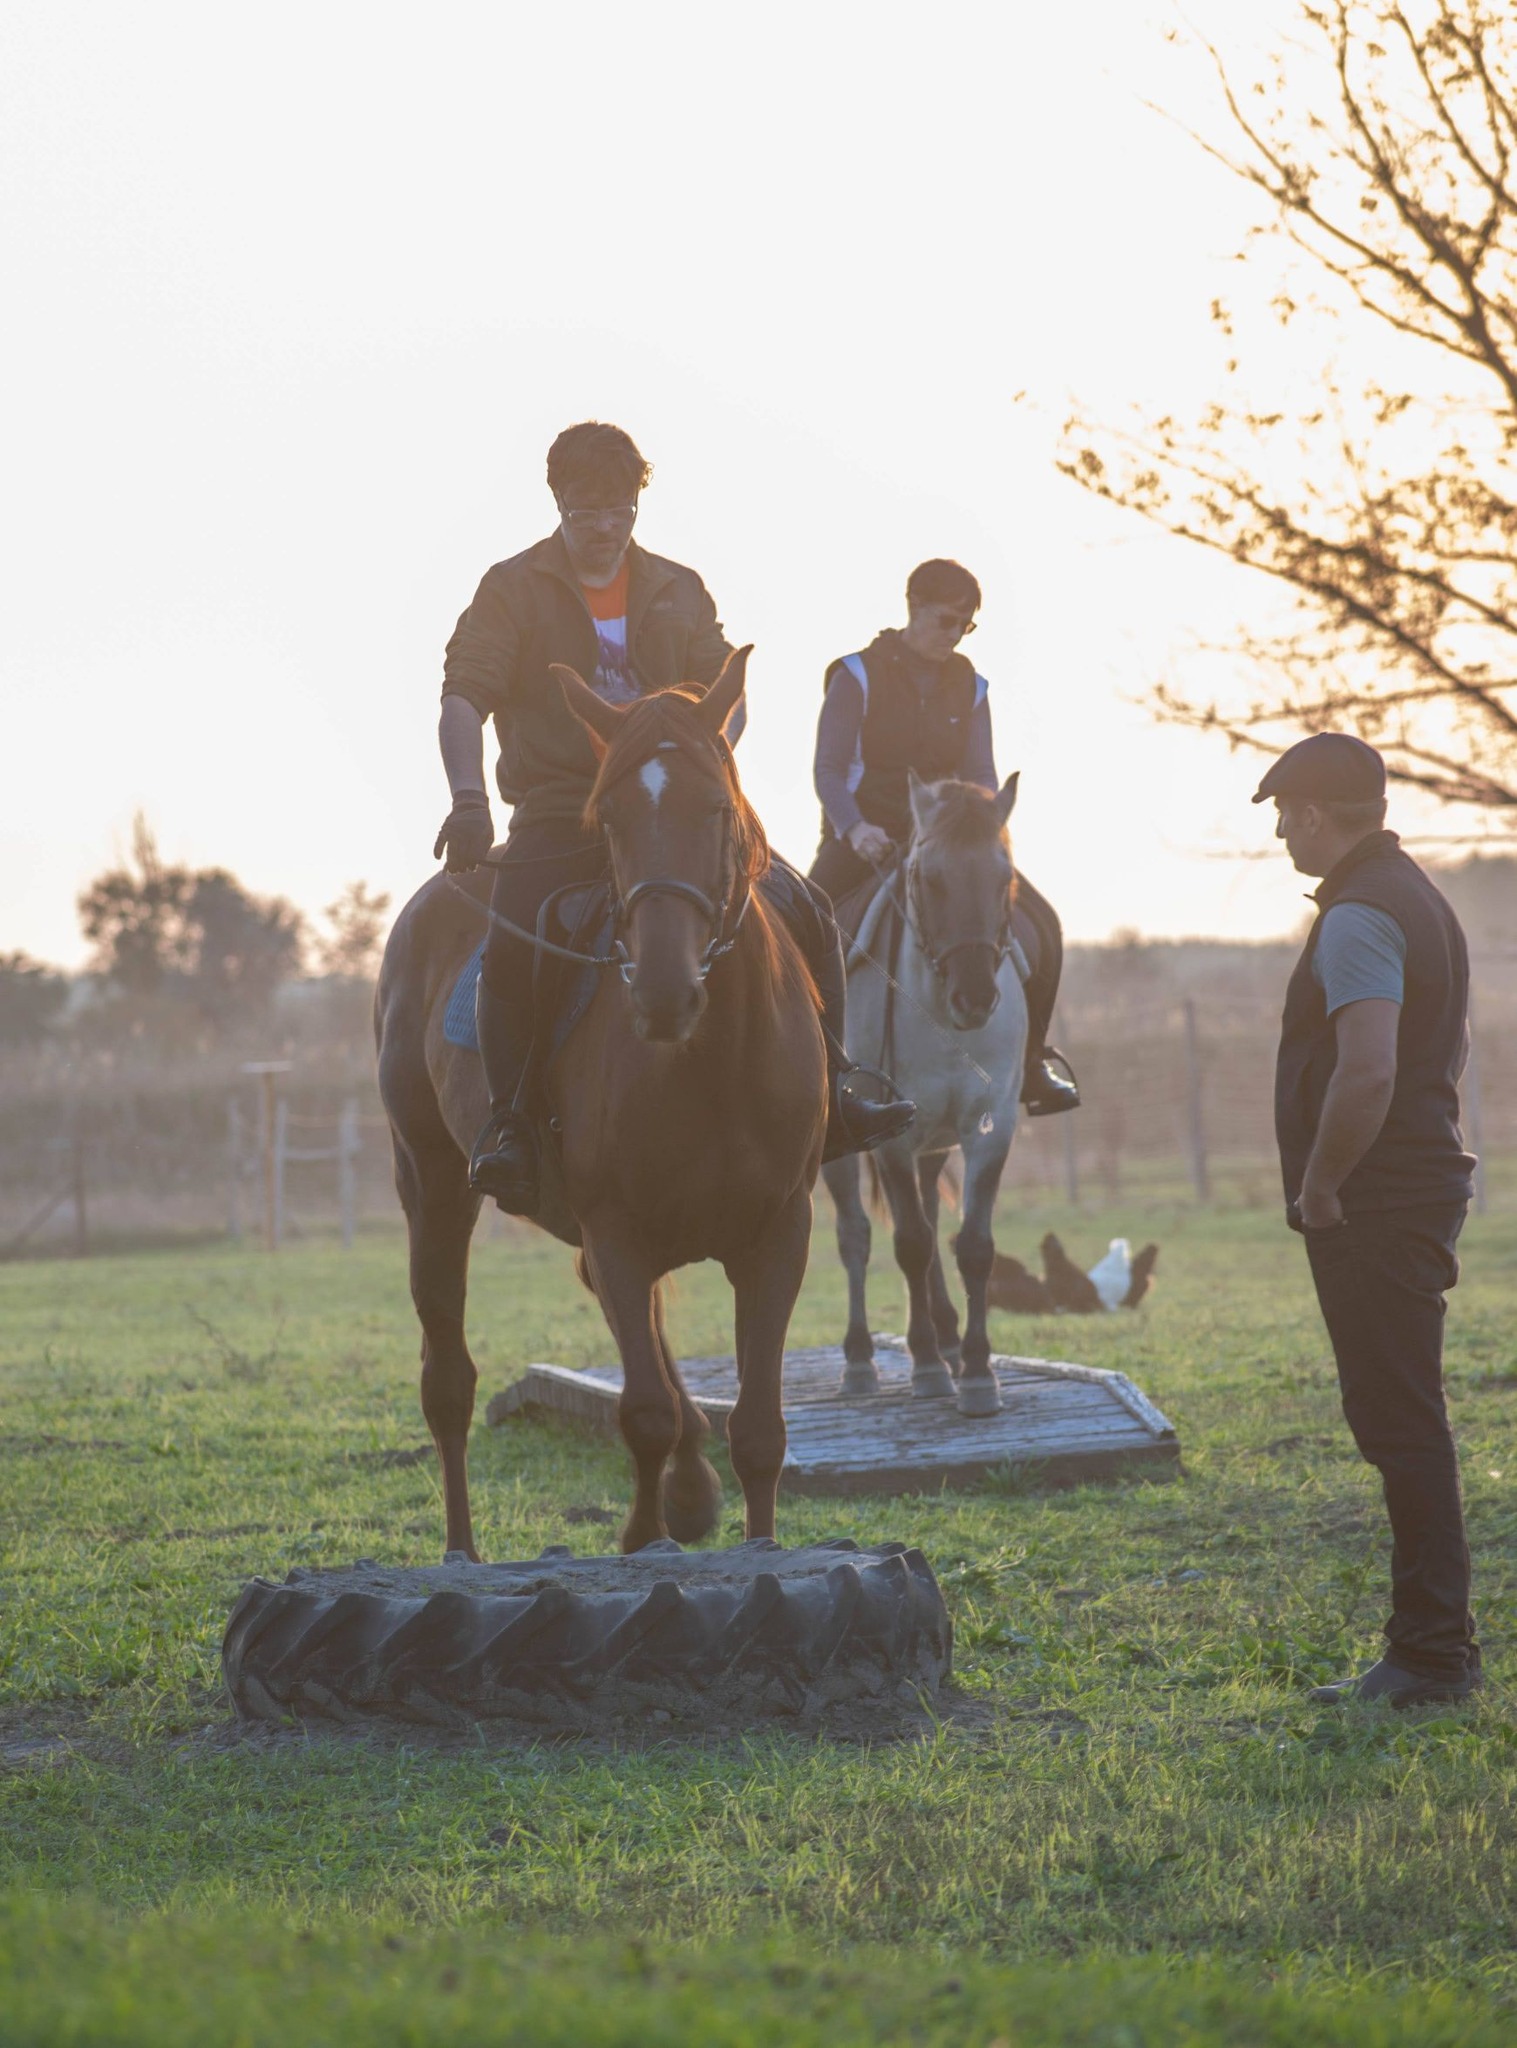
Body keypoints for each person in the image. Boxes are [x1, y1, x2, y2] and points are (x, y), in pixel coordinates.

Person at [432, 420, 913, 1213]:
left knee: (808, 907)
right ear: (557, 502)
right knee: (514, 945)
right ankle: (513, 1124)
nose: (604, 529)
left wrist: (702, 769)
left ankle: (838, 1085)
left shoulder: (677, 588)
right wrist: (468, 798)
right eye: (588, 512)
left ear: (636, 505)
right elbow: (462, 697)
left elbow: (727, 691)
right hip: (563, 810)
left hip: (681, 809)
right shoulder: (510, 589)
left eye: (619, 511)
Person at [1259, 732, 1480, 1706]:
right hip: (1409, 1184)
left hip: (1374, 1199)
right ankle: (1433, 1644)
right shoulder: (1415, 895)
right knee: (1401, 1416)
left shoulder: (1356, 914)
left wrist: (1318, 1186)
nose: (1276, 831)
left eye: (1281, 812)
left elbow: (1369, 1069)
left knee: (1398, 1421)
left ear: (1313, 812)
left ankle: (1429, 1654)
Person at [809, 558, 1079, 1116]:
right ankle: (820, 1070)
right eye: (945, 620)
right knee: (801, 927)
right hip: (865, 841)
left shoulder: (972, 686)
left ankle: (1031, 1062)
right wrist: (854, 828)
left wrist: (980, 831)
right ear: (913, 607)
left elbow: (982, 775)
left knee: (1044, 923)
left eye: (966, 625)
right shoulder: (855, 675)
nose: (954, 634)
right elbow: (829, 771)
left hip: (952, 848)